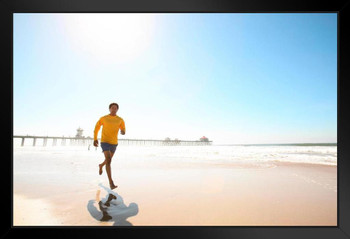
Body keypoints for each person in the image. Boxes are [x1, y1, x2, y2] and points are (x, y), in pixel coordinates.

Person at [94, 103, 126, 189]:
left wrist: (123, 132)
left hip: (114, 143)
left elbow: (123, 129)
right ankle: (111, 182)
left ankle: (101, 165)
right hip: (105, 141)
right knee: (108, 160)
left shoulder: (120, 120)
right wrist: (95, 138)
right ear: (109, 109)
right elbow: (97, 127)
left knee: (108, 160)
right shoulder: (104, 118)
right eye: (112, 108)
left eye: (115, 108)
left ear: (117, 110)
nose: (114, 109)